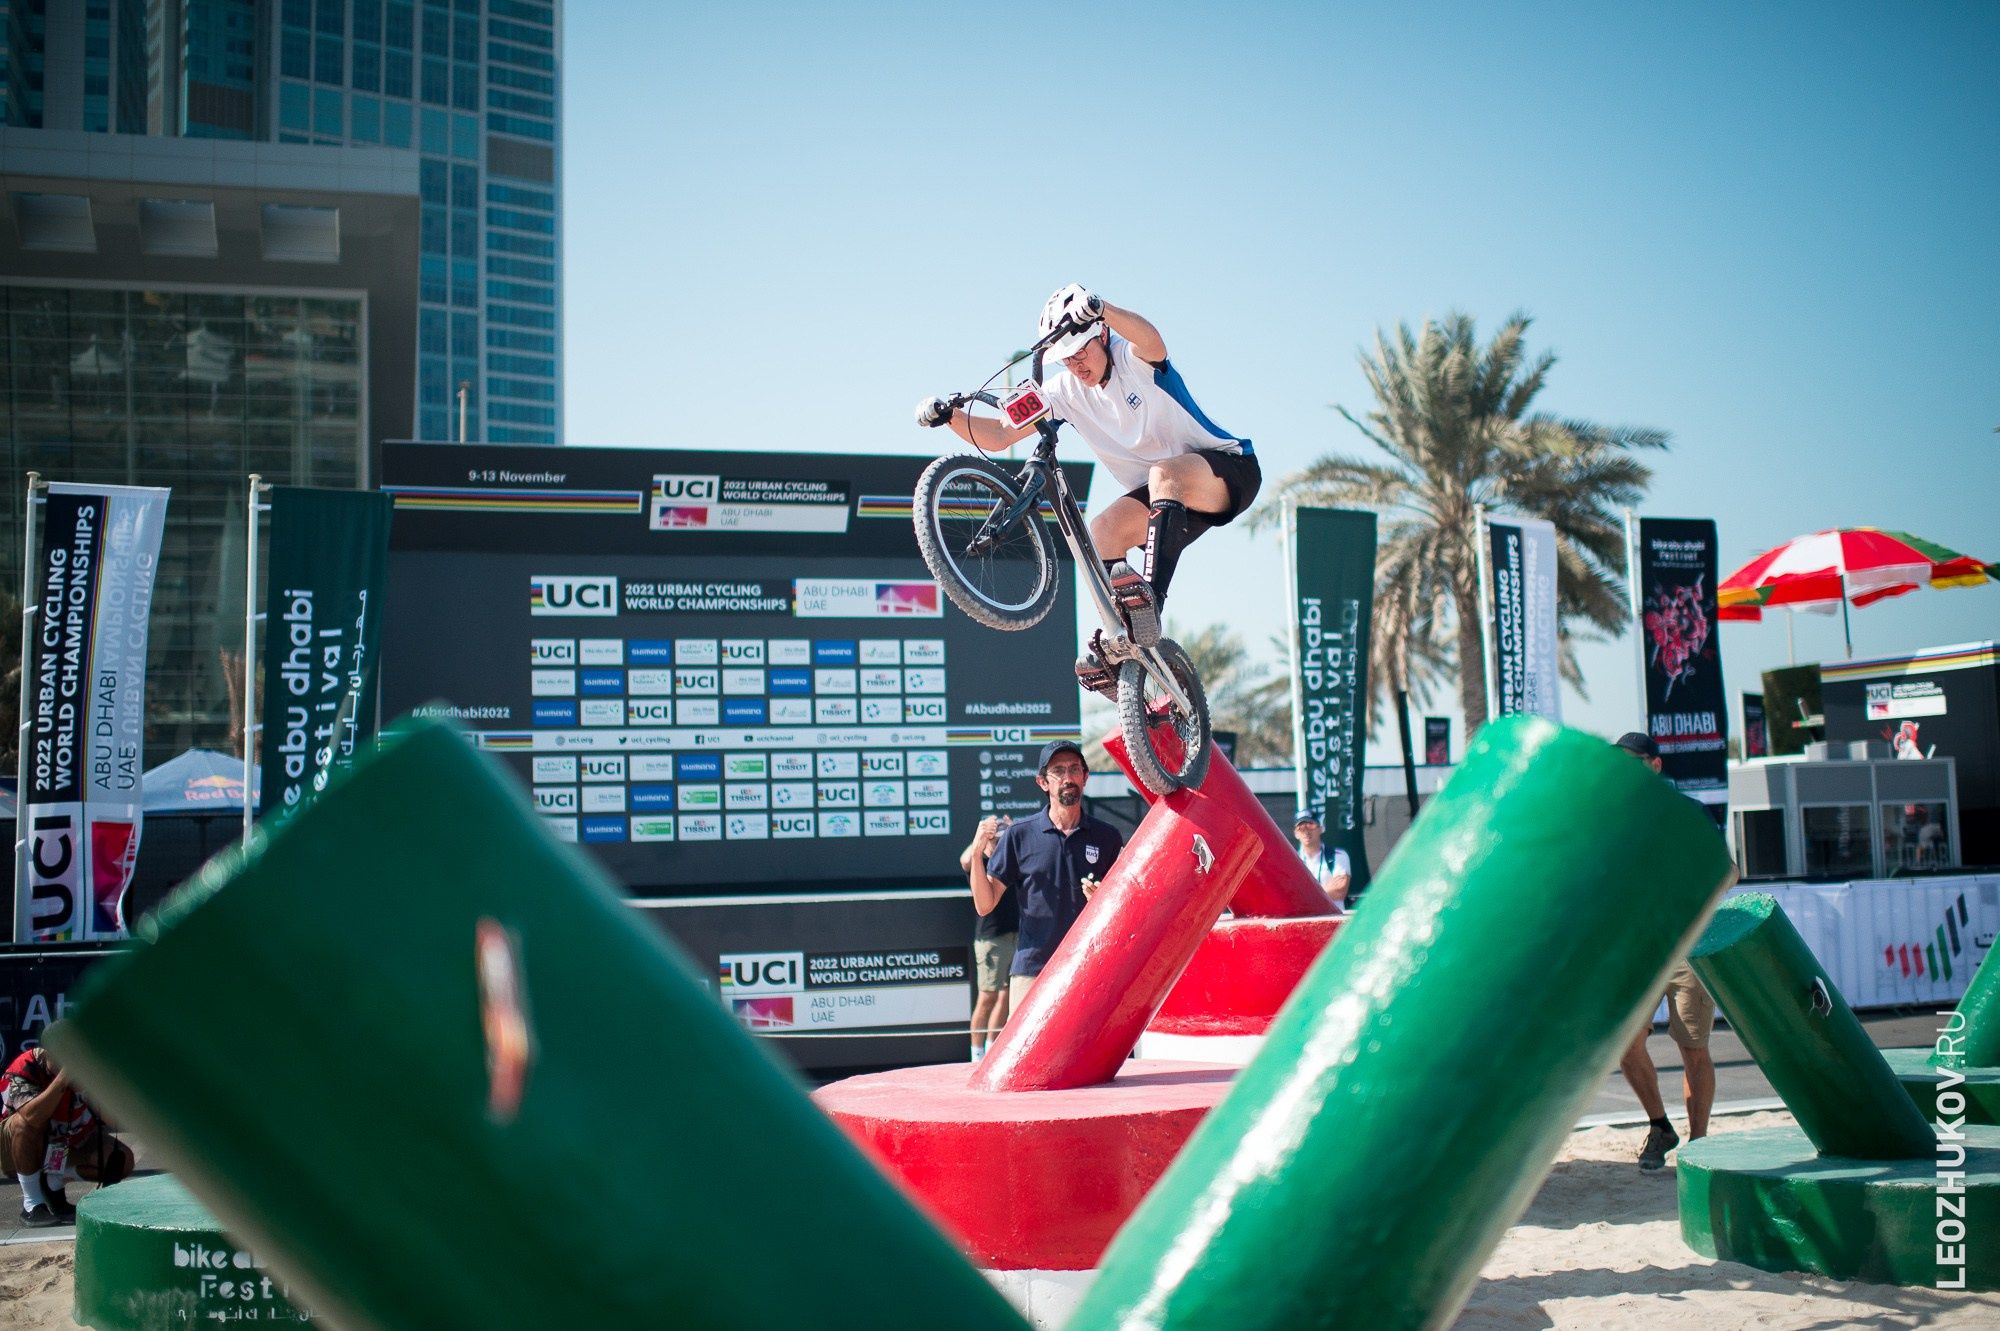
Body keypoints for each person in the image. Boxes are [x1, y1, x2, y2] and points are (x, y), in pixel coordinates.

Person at [917, 285, 1261, 693]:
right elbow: (998, 435)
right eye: (1066, 358)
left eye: (1081, 351)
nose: (1076, 365)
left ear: (1100, 334)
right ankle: (1127, 645)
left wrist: (1103, 308)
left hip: (1226, 471)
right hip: (1163, 498)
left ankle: (1150, 602)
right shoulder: (1062, 392)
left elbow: (1153, 339)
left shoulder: (1131, 356)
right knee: (1102, 531)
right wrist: (948, 417)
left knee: (1163, 474)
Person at [1611, 731, 1718, 1171]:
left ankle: (1700, 1145)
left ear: (1654, 765)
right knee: (1624, 1042)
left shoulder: (1690, 813)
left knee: (1692, 1048)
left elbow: (1721, 872)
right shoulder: (1616, 818)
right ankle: (1661, 1127)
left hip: (1689, 946)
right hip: (1639, 948)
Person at [967, 740, 1124, 1011]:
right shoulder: (1020, 834)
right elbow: (985, 904)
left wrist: (1103, 900)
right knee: (1025, 1051)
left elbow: (1125, 909)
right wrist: (975, 855)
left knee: (1091, 1051)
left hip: (1091, 967)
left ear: (1085, 778)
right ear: (1042, 782)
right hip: (1033, 969)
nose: (1068, 778)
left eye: (1074, 769)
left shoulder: (1107, 837)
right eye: (1058, 771)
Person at [2, 1042, 135, 1227]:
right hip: (19, 1148)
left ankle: (53, 1181)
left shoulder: (87, 1069)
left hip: (64, 1141)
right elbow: (33, 1117)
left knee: (121, 1159)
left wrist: (95, 1090)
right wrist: (62, 1079)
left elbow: (113, 1121)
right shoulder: (26, 1066)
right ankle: (32, 1205)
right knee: (24, 1123)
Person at [960, 815, 1018, 1061]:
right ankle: (976, 1055)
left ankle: (992, 1052)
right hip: (991, 937)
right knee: (987, 997)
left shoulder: (1013, 860)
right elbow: (964, 859)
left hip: (1017, 935)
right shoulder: (979, 860)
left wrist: (1016, 831)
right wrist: (981, 837)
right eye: (996, 837)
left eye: (1003, 837)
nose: (1000, 841)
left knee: (1006, 997)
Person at [1291, 809, 1350, 910]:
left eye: (1310, 826)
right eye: (1301, 828)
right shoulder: (1293, 861)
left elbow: (1340, 891)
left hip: (1335, 920)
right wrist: (1327, 889)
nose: (1306, 832)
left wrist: (1306, 896)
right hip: (1306, 921)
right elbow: (1292, 897)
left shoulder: (1338, 856)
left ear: (1320, 828)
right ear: (1296, 833)